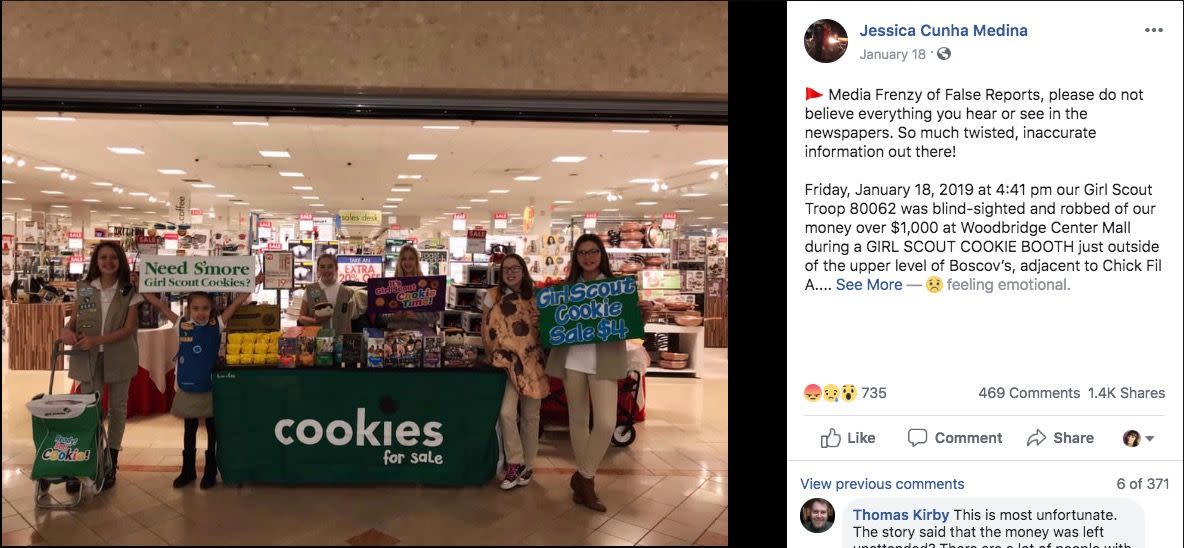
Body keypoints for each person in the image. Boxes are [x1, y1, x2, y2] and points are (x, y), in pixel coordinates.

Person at [546, 234, 653, 512]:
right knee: (578, 421)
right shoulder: (568, 289)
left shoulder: (617, 287)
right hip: (572, 360)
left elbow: (630, 324)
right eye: (582, 252)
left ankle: (582, 475)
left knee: (605, 422)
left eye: (593, 251)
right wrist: (542, 318)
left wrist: (643, 313)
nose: (588, 257)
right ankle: (587, 485)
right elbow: (553, 324)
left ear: (601, 254)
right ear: (576, 257)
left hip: (603, 360)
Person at [141, 272, 264, 489]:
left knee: (212, 430)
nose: (200, 313)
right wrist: (144, 289)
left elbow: (236, 302)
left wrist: (254, 282)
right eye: (196, 309)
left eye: (205, 308)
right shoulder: (181, 325)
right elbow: (161, 306)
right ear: (189, 310)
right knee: (189, 431)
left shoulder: (217, 324)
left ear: (211, 310)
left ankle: (210, 471)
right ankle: (187, 471)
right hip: (188, 388)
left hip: (211, 387)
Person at [59, 242, 143, 492]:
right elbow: (75, 320)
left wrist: (98, 340)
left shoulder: (129, 291)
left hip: (119, 356)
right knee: (89, 409)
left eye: (113, 258)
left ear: (120, 262)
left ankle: (111, 460)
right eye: (103, 257)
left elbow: (128, 330)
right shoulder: (85, 288)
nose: (108, 262)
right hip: (88, 356)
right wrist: (66, 330)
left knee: (117, 409)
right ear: (96, 260)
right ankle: (88, 459)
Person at [480, 254, 549, 490]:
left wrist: (542, 322)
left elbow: (549, 331)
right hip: (508, 363)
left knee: (531, 416)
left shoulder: (538, 296)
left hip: (533, 362)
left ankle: (528, 465)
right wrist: (493, 354)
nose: (511, 272)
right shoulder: (492, 296)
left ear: (523, 270)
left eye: (515, 268)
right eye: (506, 269)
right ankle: (515, 462)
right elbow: (485, 327)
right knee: (507, 412)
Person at [299, 254, 365, 334]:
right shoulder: (310, 290)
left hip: (339, 342)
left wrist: (349, 342)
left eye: (330, 266)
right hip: (316, 341)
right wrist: (315, 320)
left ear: (336, 269)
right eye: (322, 267)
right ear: (318, 269)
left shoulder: (346, 292)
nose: (326, 270)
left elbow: (348, 323)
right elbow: (301, 318)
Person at [384, 245, 440, 333]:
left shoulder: (427, 284)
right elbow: (380, 316)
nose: (407, 262)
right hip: (394, 334)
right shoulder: (390, 285)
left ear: (416, 261)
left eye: (411, 258)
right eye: (404, 259)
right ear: (400, 262)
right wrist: (393, 316)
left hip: (418, 334)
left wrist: (416, 316)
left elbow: (436, 316)